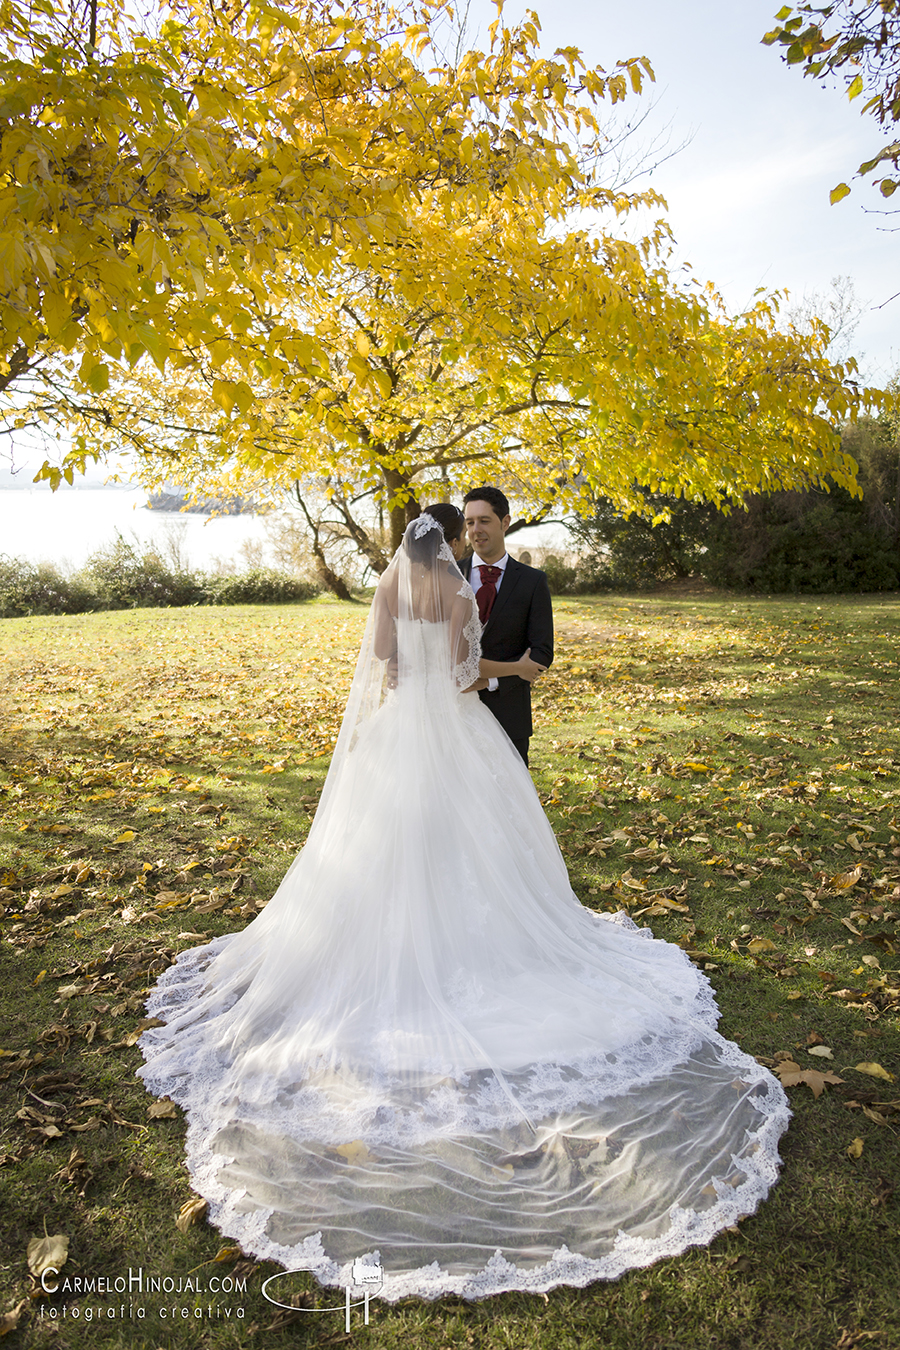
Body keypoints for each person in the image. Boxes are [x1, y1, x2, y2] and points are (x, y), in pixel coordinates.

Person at [138, 506, 789, 1303]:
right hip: (453, 726)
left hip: (393, 731)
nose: (462, 543)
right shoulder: (452, 588)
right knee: (479, 844)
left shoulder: (387, 587)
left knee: (381, 850)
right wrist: (481, 675)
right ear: (448, 541)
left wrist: (398, 708)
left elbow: (381, 665)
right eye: (459, 534)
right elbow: (461, 672)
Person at [458, 486, 553, 765]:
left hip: (509, 716)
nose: (476, 530)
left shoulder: (533, 582)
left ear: (505, 522)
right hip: (455, 716)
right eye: (470, 522)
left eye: (484, 520)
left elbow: (542, 652)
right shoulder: (449, 574)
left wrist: (490, 681)